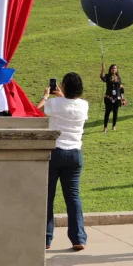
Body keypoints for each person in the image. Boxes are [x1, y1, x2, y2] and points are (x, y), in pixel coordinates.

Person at [39, 73, 89, 250]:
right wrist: (62, 95)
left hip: (54, 152)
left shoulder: (53, 103)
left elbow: (37, 112)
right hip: (75, 154)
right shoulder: (84, 105)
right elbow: (70, 105)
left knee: (48, 196)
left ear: (64, 86)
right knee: (73, 196)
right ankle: (78, 238)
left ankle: (45, 238)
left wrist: (46, 95)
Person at [100, 63, 125, 132]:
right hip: (109, 98)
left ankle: (114, 126)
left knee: (115, 113)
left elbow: (121, 88)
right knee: (107, 112)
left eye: (115, 68)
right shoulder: (108, 76)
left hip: (117, 98)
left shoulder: (118, 78)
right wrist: (103, 69)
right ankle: (105, 127)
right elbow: (102, 77)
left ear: (117, 70)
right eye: (112, 68)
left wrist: (122, 98)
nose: (114, 69)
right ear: (110, 69)